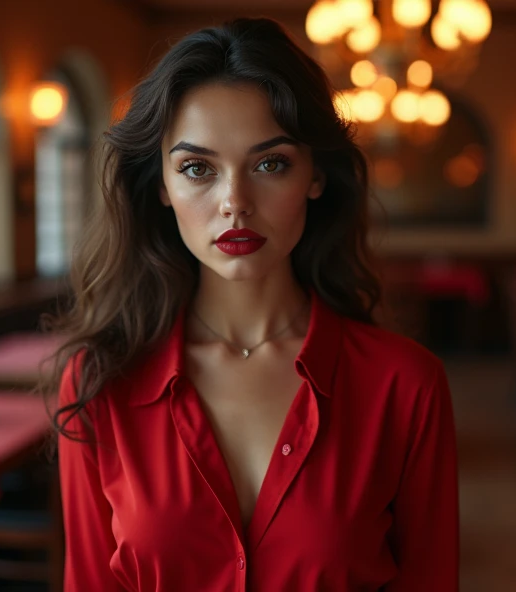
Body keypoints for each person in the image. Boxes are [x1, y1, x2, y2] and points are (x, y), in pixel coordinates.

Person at [44, 17, 458, 591]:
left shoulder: (406, 386)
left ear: (315, 174)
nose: (234, 202)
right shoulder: (99, 383)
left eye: (271, 163)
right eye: (197, 168)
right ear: (161, 185)